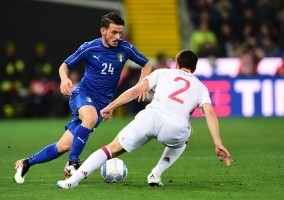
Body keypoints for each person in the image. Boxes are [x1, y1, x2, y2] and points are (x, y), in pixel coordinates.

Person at [56, 49, 233, 189]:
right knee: (189, 132)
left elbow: (135, 91)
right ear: (194, 68)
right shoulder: (200, 87)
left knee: (111, 149)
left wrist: (111, 107)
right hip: (175, 128)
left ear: (176, 64)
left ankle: (72, 181)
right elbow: (209, 112)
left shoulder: (163, 73)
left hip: (150, 117)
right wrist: (218, 142)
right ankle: (155, 174)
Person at [14, 11, 152, 184]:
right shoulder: (90, 48)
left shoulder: (125, 49)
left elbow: (146, 64)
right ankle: (72, 164)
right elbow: (65, 65)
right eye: (114, 32)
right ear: (103, 30)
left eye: (120, 32)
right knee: (90, 117)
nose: (118, 36)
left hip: (102, 105)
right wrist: (64, 79)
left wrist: (141, 84)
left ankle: (26, 163)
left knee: (64, 146)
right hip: (83, 94)